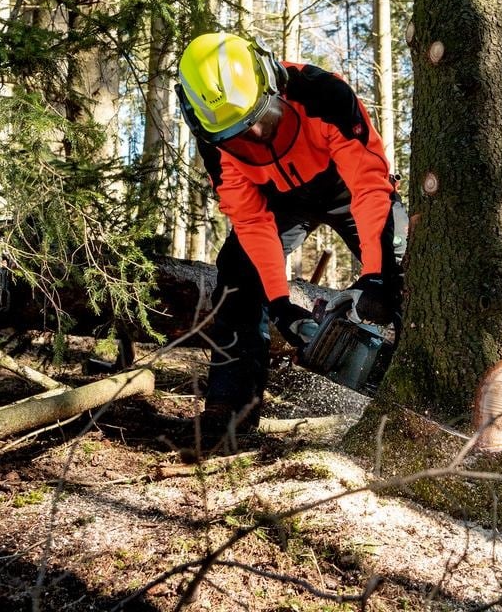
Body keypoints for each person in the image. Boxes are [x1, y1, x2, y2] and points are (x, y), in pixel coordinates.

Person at [175, 31, 408, 453]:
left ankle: (430, 393)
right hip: (278, 200)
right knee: (236, 274)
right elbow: (249, 218)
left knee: (406, 268)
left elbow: (370, 188)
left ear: (273, 81)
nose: (259, 135)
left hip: (345, 187)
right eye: (241, 137)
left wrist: (376, 276)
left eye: (266, 118)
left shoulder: (323, 94)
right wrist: (280, 303)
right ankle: (231, 410)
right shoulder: (215, 144)